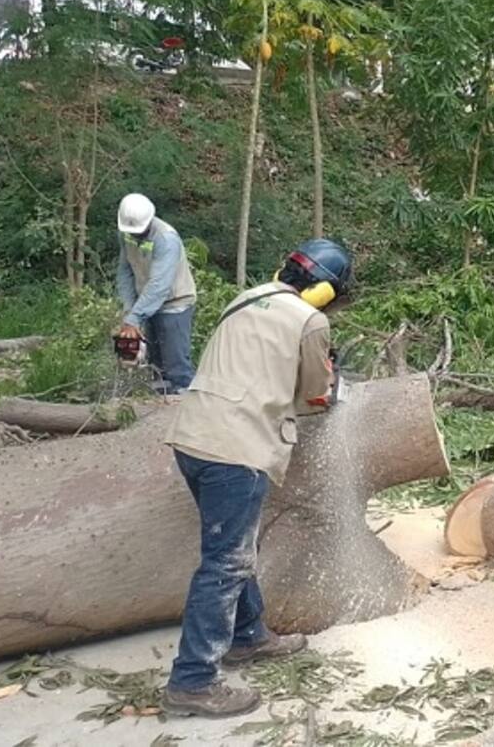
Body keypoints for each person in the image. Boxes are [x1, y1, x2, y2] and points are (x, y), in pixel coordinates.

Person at [160, 238, 353, 718]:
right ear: (326, 291)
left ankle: (247, 635)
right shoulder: (311, 320)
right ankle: (192, 681)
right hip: (236, 450)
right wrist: (330, 381)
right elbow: (313, 396)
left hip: (192, 439)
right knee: (224, 564)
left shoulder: (244, 297)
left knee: (236, 550)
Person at [115, 193, 197, 393]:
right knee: (155, 365)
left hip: (174, 304)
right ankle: (160, 406)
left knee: (176, 368)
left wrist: (134, 318)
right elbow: (125, 272)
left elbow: (159, 285)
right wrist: (129, 311)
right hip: (146, 304)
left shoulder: (166, 239)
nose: (135, 235)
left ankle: (184, 408)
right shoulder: (125, 233)